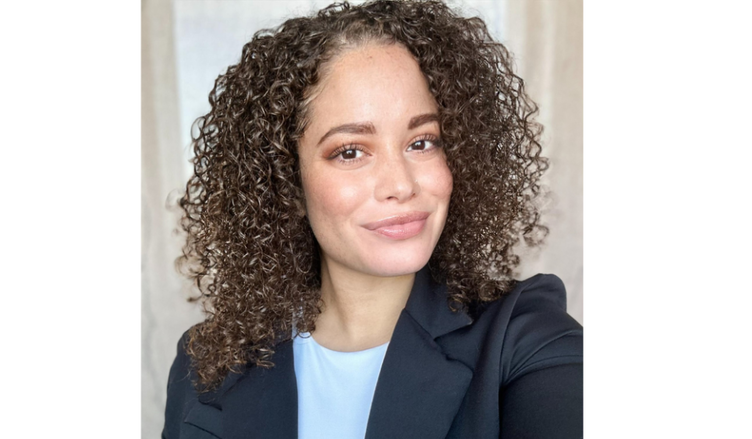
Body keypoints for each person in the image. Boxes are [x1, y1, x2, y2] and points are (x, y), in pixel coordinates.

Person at [163, 1, 582, 438]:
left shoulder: (527, 341)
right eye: (350, 151)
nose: (400, 185)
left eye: (422, 142)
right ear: (287, 181)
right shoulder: (205, 366)